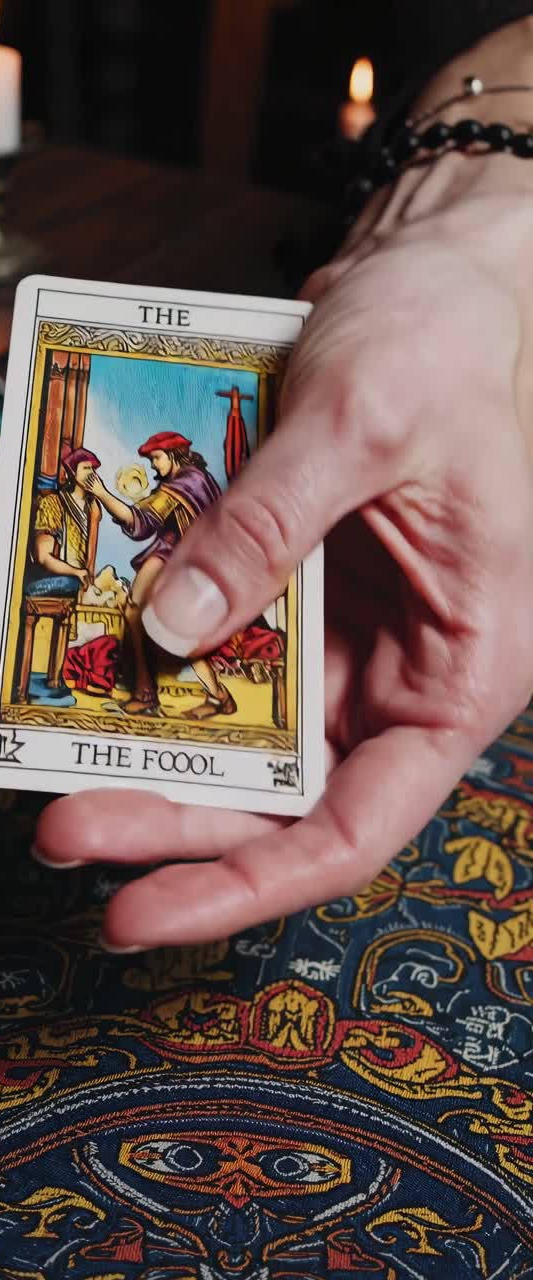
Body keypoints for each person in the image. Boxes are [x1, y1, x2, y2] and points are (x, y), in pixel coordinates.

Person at [33, 10, 533, 954]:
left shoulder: (180, 494)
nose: (151, 464)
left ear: (179, 463)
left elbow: (156, 524)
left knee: (143, 624)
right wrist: (474, 227)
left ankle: (207, 698)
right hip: (348, 351)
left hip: (251, 577)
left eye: (158, 458)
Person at [86, 431, 236, 718]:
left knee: (157, 622)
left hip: (180, 556)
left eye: (156, 458)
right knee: (147, 618)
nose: (153, 466)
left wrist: (102, 493)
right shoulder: (194, 481)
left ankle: (151, 694)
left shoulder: (186, 483)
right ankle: (209, 696)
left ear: (173, 455)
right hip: (181, 555)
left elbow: (141, 523)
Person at [31, 446, 101, 595]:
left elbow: (90, 559)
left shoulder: (93, 507)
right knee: (72, 584)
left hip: (79, 581)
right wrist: (75, 572)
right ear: (73, 472)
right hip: (55, 579)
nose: (91, 474)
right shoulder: (54, 503)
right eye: (86, 469)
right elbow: (42, 556)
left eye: (93, 469)